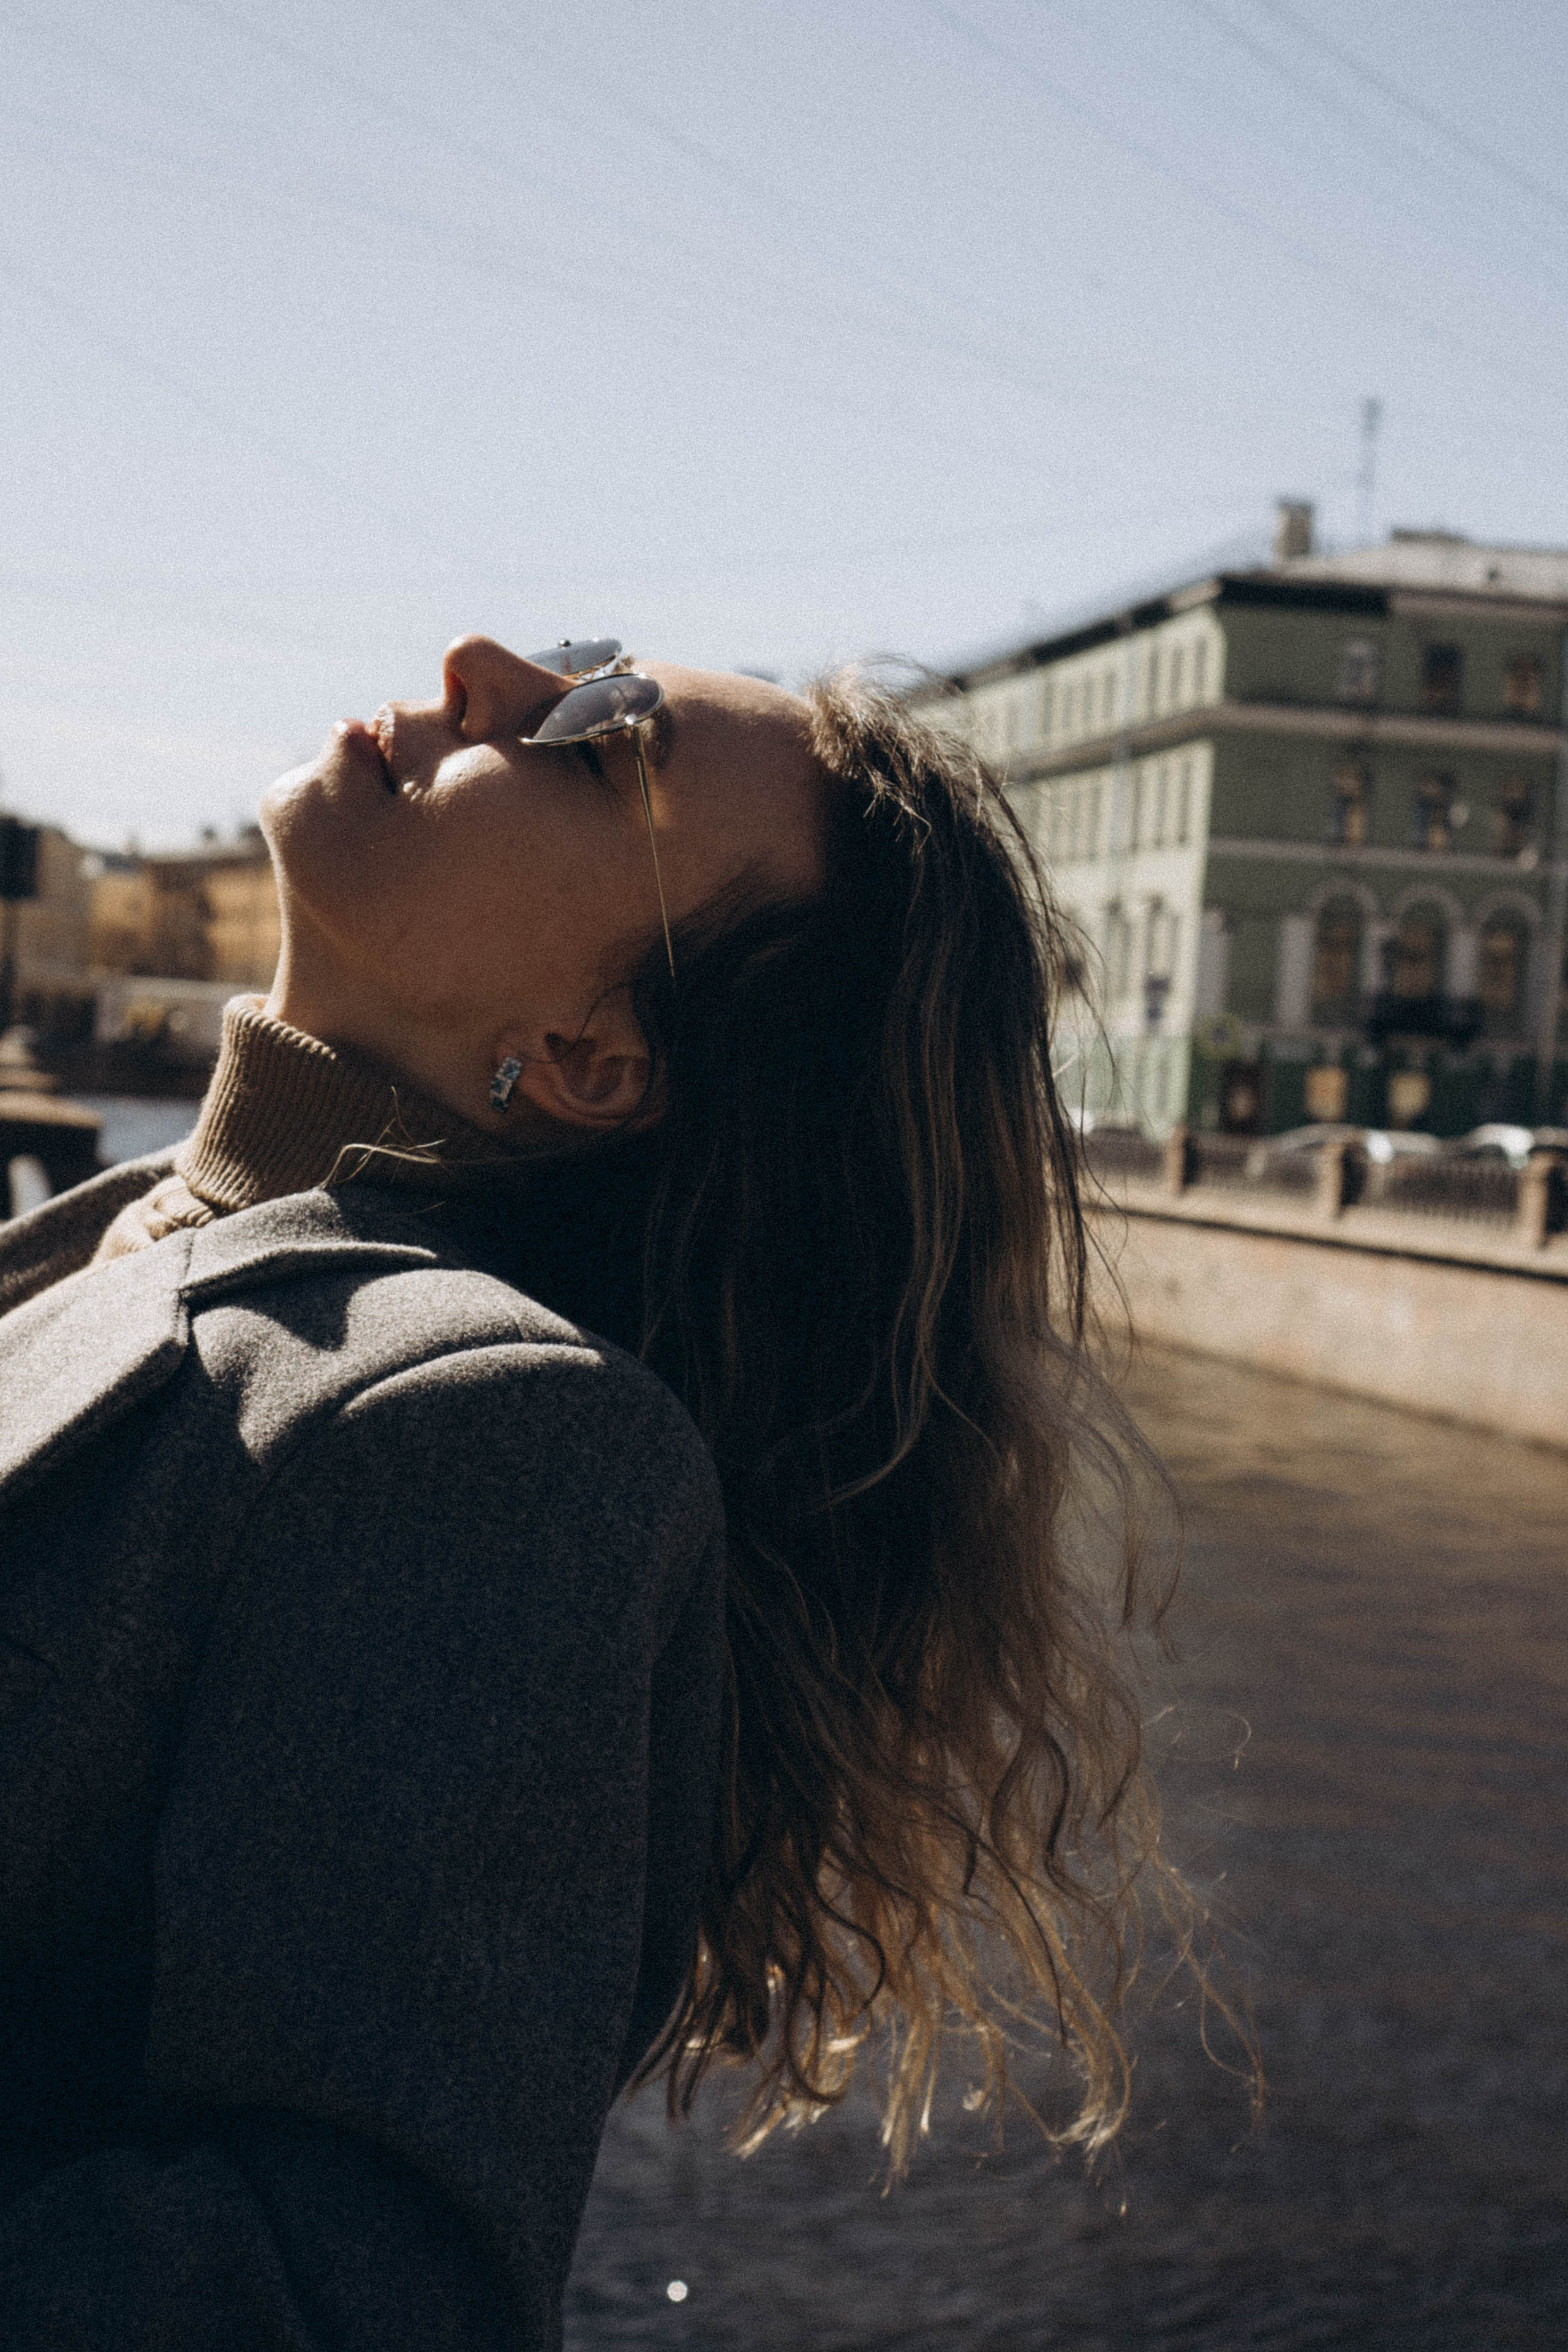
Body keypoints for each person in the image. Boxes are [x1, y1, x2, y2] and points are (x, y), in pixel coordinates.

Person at [0, 637, 1185, 2349]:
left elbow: (351, 2292)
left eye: (597, 743)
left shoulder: (492, 1432)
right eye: (574, 664)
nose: (483, 668)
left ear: (590, 1056)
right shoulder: (107, 1237)